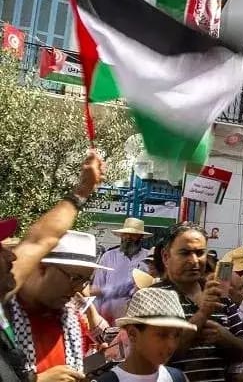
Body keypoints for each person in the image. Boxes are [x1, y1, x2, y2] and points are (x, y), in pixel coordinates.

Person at [0, 153, 104, 381]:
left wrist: (83, 190)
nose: (11, 255)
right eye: (0, 248)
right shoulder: (7, 306)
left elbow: (40, 240)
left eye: (84, 280)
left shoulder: (69, 316)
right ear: (41, 268)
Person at [7, 230, 112, 379]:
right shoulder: (5, 318)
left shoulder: (73, 319)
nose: (79, 288)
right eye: (75, 278)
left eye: (85, 281)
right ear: (41, 268)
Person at [152, 226, 243, 381]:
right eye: (185, 253)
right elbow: (157, 356)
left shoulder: (218, 294)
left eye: (199, 253)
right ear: (166, 257)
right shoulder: (152, 297)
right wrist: (202, 315)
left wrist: (224, 337)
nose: (194, 260)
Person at [97, 288, 196, 382]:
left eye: (177, 335)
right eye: (162, 335)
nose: (171, 345)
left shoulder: (177, 378)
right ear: (133, 334)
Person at [91, 217, 153, 324]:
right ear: (121, 236)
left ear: (141, 237)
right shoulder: (108, 256)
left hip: (138, 317)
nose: (128, 237)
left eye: (133, 235)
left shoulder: (148, 257)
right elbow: (98, 287)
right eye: (125, 234)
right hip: (108, 317)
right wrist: (95, 317)